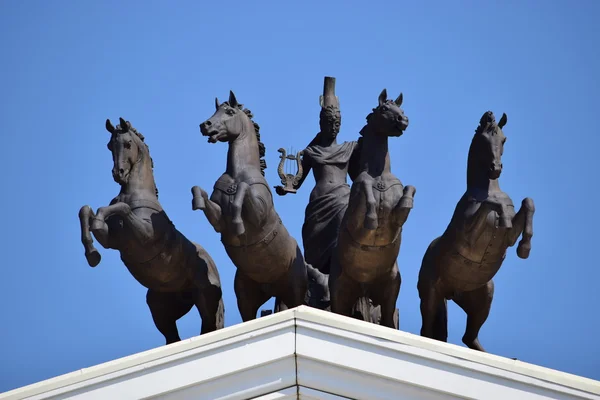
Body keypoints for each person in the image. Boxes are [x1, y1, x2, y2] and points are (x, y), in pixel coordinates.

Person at [275, 82, 361, 310]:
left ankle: (339, 288)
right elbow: (297, 182)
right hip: (318, 208)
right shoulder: (311, 152)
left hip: (343, 202)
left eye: (337, 123)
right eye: (328, 122)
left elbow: (361, 178)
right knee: (313, 254)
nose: (333, 127)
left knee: (341, 247)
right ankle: (314, 287)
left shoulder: (350, 149)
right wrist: (286, 188)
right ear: (320, 124)